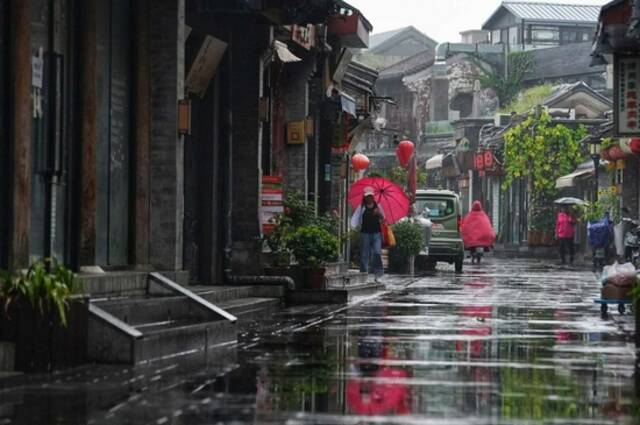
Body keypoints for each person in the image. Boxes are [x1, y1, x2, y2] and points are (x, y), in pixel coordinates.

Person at [351, 187, 385, 282]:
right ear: (365, 197)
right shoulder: (361, 207)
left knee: (377, 253)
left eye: (370, 196)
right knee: (365, 255)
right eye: (367, 196)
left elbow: (383, 219)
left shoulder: (378, 206)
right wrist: (354, 228)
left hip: (376, 233)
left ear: (373, 196)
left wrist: (378, 213)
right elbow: (356, 219)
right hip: (365, 233)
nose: (369, 198)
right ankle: (363, 274)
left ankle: (378, 274)